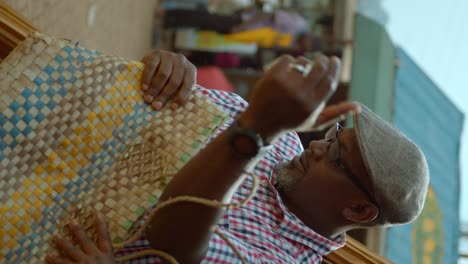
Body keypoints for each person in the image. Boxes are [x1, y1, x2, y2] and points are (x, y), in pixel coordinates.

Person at [45, 50, 430, 264]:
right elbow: (169, 103)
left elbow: (170, 243)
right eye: (331, 136)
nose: (316, 147)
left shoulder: (278, 260)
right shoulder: (283, 143)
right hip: (45, 145)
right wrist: (172, 73)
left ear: (359, 211)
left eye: (335, 156)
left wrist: (255, 129)